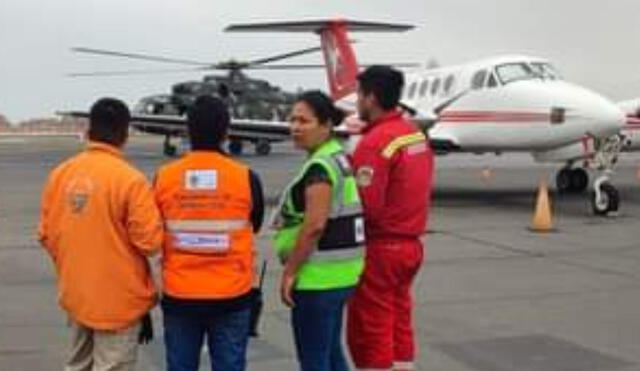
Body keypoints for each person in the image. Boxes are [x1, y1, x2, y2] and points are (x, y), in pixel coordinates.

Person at [38, 97, 163, 371]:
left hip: (77, 297)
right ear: (124, 134)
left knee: (77, 365)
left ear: (88, 130)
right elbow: (151, 242)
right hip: (120, 304)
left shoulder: (60, 175)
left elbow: (46, 235)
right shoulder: (130, 180)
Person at [153, 95, 264, 371]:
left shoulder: (164, 177)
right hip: (232, 294)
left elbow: (152, 230)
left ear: (187, 130)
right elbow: (256, 223)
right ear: (227, 132)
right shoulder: (246, 177)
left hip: (180, 295)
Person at [347, 65, 434, 371]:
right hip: (411, 247)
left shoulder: (375, 143)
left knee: (371, 328)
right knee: (399, 319)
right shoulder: (414, 135)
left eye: (359, 94)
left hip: (382, 250)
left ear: (370, 97)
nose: (356, 101)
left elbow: (365, 206)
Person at [272, 90, 365, 371]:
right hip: (343, 274)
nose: (295, 128)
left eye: (304, 121)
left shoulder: (320, 168)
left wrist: (290, 272)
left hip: (317, 279)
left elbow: (314, 226)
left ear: (326, 125)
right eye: (292, 120)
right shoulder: (338, 156)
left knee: (314, 359)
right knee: (332, 354)